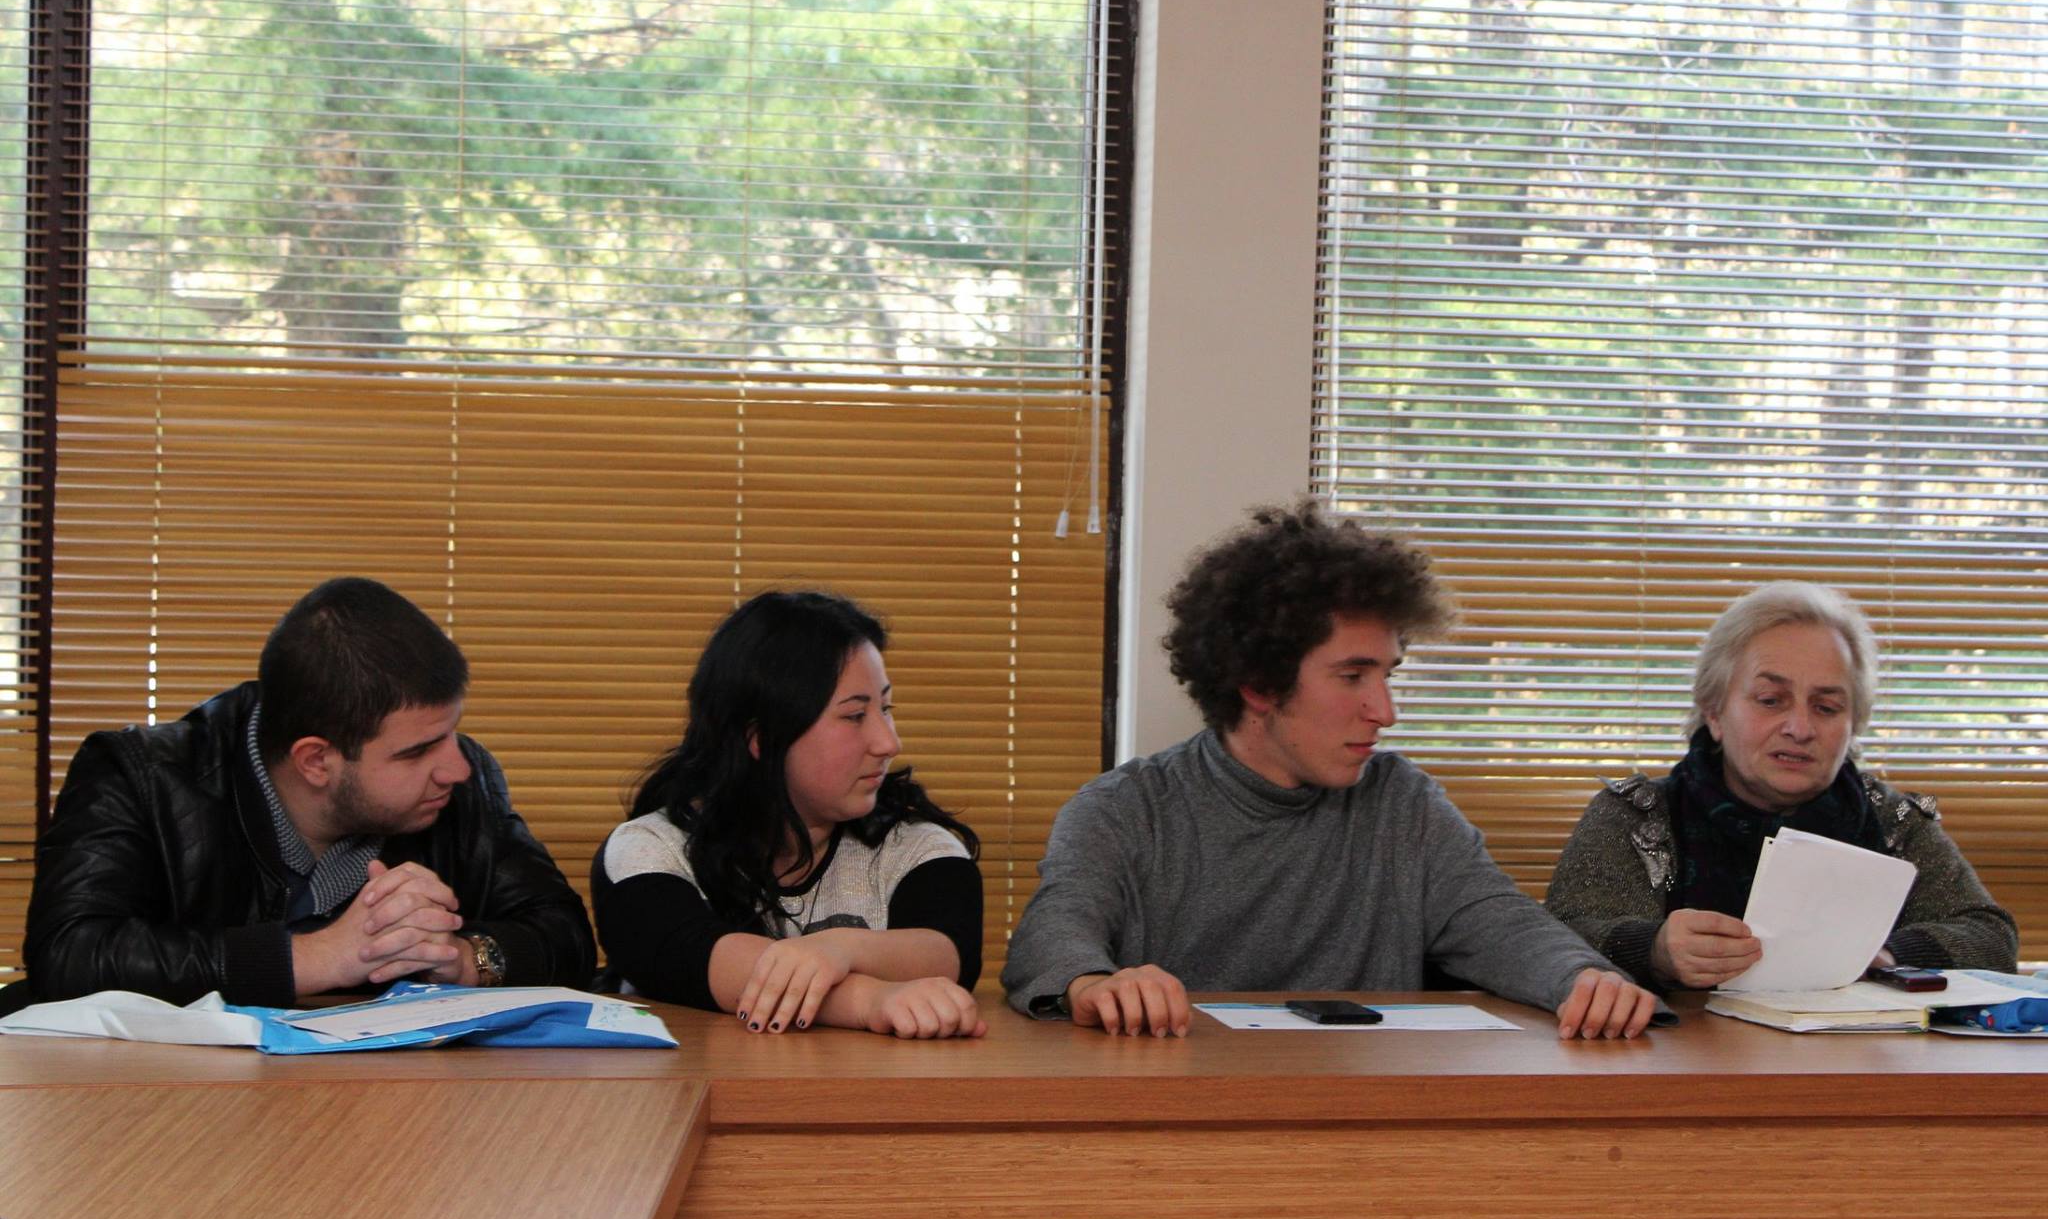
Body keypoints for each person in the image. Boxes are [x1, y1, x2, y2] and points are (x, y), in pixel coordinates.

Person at [1002, 501, 1658, 1040]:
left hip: (1366, 1124)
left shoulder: (1405, 805)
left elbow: (1500, 923)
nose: (1386, 711)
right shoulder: (1124, 809)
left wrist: (1583, 979)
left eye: (1388, 675)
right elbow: (1051, 939)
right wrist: (1093, 984)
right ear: (1259, 683)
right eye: (1352, 676)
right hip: (1179, 1116)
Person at [16, 577, 595, 1008]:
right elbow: (69, 953)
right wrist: (319, 956)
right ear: (316, 761)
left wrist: (464, 959)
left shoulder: (462, 789)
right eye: (417, 751)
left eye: (452, 733)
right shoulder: (139, 776)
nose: (456, 768)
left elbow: (564, 935)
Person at [1546, 582, 2017, 990]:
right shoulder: (1637, 816)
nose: (1800, 728)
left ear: (1853, 725)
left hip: (1856, 1057)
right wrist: (1653, 949)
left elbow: (1991, 938)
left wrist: (1887, 955)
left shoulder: (1891, 822)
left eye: (1826, 708)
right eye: (1771, 700)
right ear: (1714, 712)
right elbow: (1558, 937)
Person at [592, 590, 985, 1039]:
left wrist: (843, 948)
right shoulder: (647, 850)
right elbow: (692, 958)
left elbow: (950, 952)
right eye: (855, 715)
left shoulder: (917, 846)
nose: (888, 742)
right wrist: (868, 999)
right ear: (760, 738)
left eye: (886, 708)